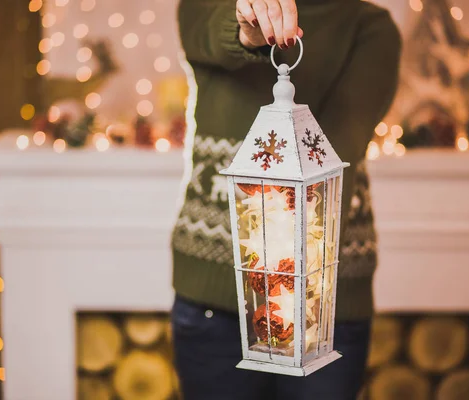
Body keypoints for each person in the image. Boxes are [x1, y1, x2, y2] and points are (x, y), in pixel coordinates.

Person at [170, 0, 401, 398]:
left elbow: (336, 146)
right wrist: (247, 30)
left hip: (328, 308)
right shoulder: (206, 5)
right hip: (212, 299)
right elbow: (207, 33)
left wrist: (283, 261)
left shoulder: (371, 27)